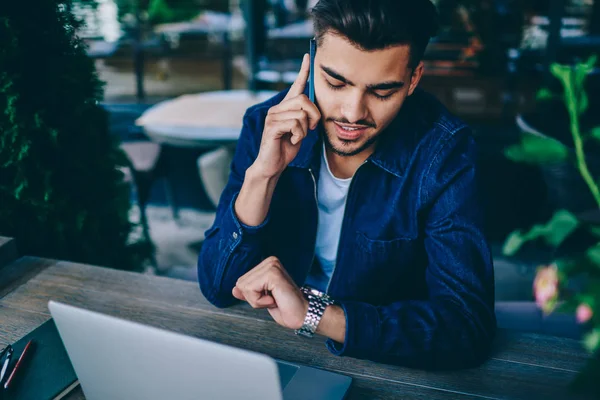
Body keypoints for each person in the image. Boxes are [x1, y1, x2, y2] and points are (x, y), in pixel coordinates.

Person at [198, 0, 496, 370]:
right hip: (273, 351)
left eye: (382, 91)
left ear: (413, 79)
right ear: (311, 60)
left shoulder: (444, 153)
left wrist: (314, 314)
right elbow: (217, 285)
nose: (353, 113)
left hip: (386, 366)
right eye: (335, 82)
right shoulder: (266, 125)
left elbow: (466, 327)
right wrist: (263, 174)